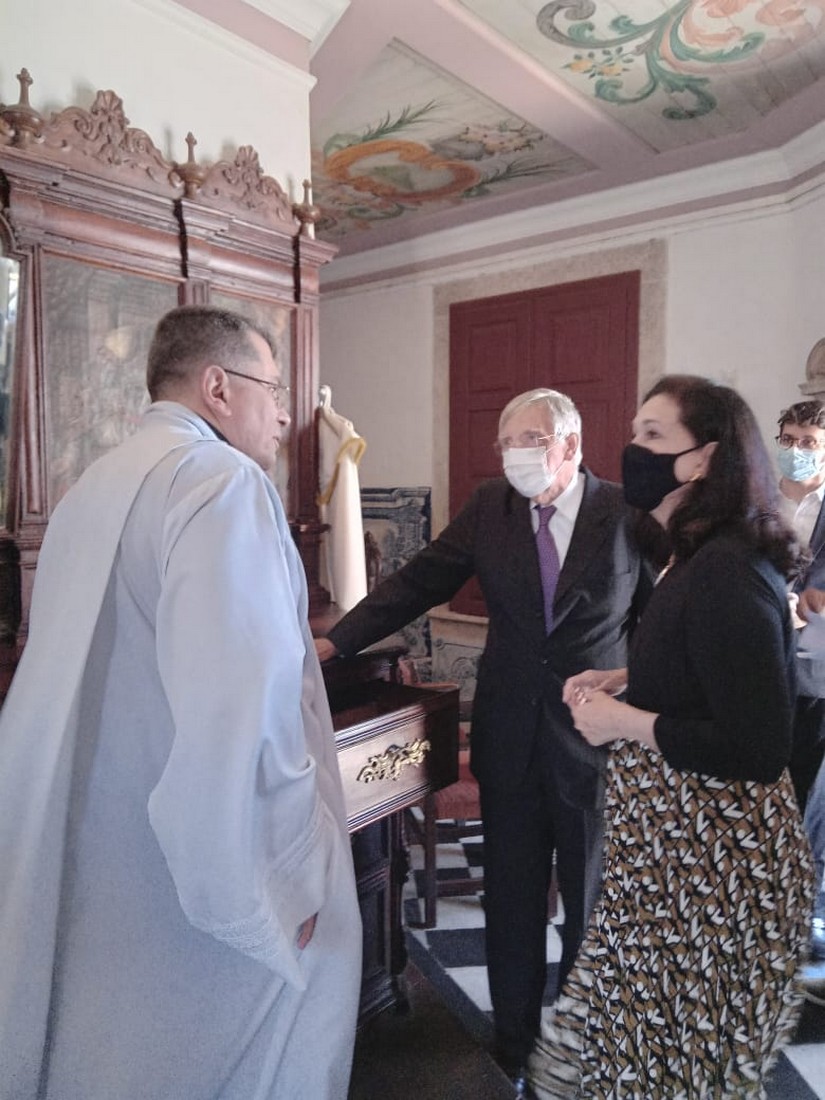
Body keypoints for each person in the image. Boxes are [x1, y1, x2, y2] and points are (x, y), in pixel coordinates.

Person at [0, 306, 362, 1100]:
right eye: (273, 389)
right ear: (217, 387)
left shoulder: (89, 487)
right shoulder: (221, 482)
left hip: (102, 832)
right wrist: (285, 884)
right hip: (204, 865)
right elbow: (244, 708)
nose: (282, 414)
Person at [315, 387, 651, 1087]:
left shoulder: (623, 512)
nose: (514, 455)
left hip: (595, 742)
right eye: (506, 442)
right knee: (511, 896)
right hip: (508, 733)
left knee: (592, 900)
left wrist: (631, 691)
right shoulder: (489, 507)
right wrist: (337, 642)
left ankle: (585, 1039)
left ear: (569, 446)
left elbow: (658, 620)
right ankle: (513, 1038)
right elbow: (417, 580)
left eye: (529, 440)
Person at [529, 375, 814, 1099]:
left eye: (652, 434)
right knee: (636, 1050)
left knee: (676, 1062)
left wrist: (626, 723)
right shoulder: (695, 553)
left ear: (700, 460)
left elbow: (757, 746)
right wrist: (624, 676)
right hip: (678, 849)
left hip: (713, 864)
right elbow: (706, 667)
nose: (632, 448)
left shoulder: (723, 567)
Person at [775, 399, 825, 984]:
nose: (797, 447)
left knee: (805, 802)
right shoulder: (760, 502)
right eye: (789, 436)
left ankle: (799, 918)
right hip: (756, 671)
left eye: (810, 440)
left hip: (814, 676)